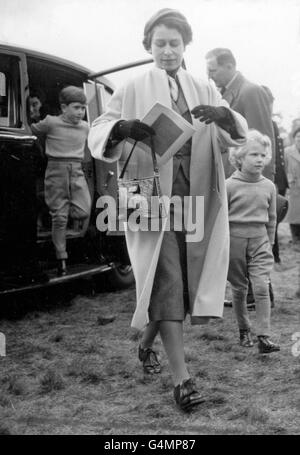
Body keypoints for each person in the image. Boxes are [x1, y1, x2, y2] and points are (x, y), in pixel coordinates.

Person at [88, 8, 247, 412]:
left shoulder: (203, 86)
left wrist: (225, 116)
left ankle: (145, 344)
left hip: (196, 194)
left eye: (174, 43)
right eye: (159, 43)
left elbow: (236, 138)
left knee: (180, 281)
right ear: (148, 46)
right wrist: (121, 129)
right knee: (166, 275)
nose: (167, 51)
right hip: (149, 195)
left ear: (184, 45)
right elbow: (99, 129)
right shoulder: (133, 86)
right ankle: (183, 381)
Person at [226, 130, 280, 353]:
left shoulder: (269, 186)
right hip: (234, 242)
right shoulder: (228, 186)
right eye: (253, 155)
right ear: (239, 157)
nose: (259, 159)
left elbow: (272, 218)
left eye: (262, 155)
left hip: (260, 241)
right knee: (239, 289)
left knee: (261, 286)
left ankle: (264, 336)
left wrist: (269, 242)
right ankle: (244, 329)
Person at [31, 86, 91, 275]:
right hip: (55, 170)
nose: (80, 112)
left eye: (83, 108)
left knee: (83, 211)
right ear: (64, 107)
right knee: (60, 217)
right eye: (76, 107)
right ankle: (61, 259)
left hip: (76, 171)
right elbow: (31, 130)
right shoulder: (51, 123)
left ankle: (50, 205)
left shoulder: (85, 127)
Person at [205, 48, 275, 181]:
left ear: (229, 66)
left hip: (246, 180)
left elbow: (263, 141)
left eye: (213, 70)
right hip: (228, 176)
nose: (209, 76)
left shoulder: (251, 91)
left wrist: (262, 183)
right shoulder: (220, 94)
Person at [261, 86, 289, 267]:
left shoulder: (273, 123)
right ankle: (272, 253)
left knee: (275, 215)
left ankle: (274, 253)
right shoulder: (265, 122)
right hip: (269, 177)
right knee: (269, 217)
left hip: (278, 178)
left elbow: (278, 156)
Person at [284, 127, 300, 246]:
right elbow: (284, 169)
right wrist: (287, 181)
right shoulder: (287, 151)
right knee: (293, 212)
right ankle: (295, 238)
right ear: (294, 138)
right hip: (293, 186)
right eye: (298, 136)